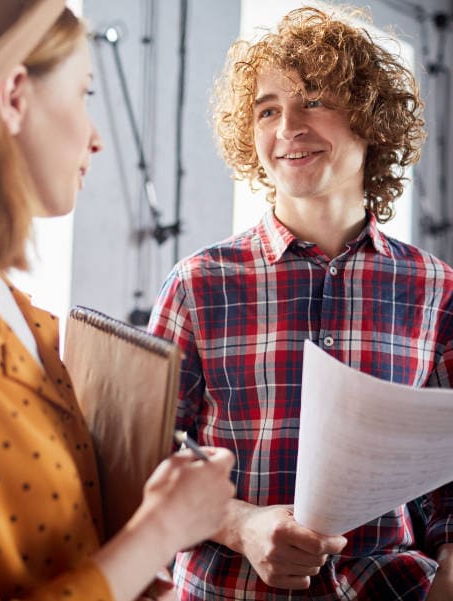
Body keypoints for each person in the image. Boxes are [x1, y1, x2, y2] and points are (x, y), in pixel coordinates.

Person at [0, 2, 236, 601]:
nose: (96, 138)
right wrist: (160, 528)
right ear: (13, 97)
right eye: (84, 93)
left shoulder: (9, 308)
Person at [148, 5, 453, 600]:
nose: (287, 125)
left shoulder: (437, 291)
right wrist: (242, 526)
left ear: (369, 118)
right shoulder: (198, 283)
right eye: (267, 109)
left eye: (313, 99)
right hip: (229, 590)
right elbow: (143, 460)